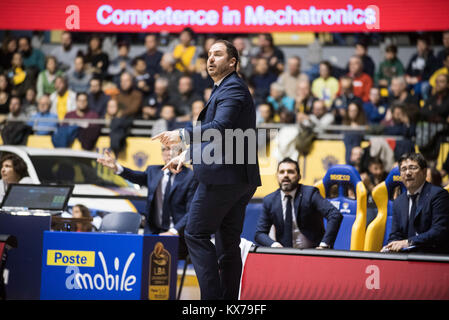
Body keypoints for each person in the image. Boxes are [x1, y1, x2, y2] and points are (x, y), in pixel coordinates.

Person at [152, 40, 261, 300]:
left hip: (223, 178)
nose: (210, 59)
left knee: (196, 233)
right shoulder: (226, 88)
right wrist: (187, 156)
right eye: (209, 54)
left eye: (218, 54)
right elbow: (223, 137)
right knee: (227, 246)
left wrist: (181, 135)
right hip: (236, 178)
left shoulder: (233, 88)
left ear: (232, 62)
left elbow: (221, 127)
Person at [97, 147, 197, 258]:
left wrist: (174, 231)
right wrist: (117, 167)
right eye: (166, 149)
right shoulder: (153, 171)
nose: (169, 153)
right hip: (153, 233)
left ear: (180, 154)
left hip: (178, 235)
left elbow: (192, 211)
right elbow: (135, 176)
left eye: (173, 150)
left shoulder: (190, 177)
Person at [255, 158, 342, 249]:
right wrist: (275, 245)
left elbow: (334, 215)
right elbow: (260, 234)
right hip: (284, 254)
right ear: (277, 176)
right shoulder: (270, 200)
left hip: (313, 253)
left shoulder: (310, 194)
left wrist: (324, 245)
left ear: (299, 176)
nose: (286, 175)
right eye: (282, 172)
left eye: (290, 172)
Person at [382, 153, 449, 253]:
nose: (408, 173)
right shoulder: (398, 202)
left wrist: (409, 242)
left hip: (431, 257)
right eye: (403, 169)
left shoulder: (438, 195)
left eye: (413, 168)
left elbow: (438, 231)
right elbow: (395, 235)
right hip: (405, 259)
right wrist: (391, 246)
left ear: (424, 172)